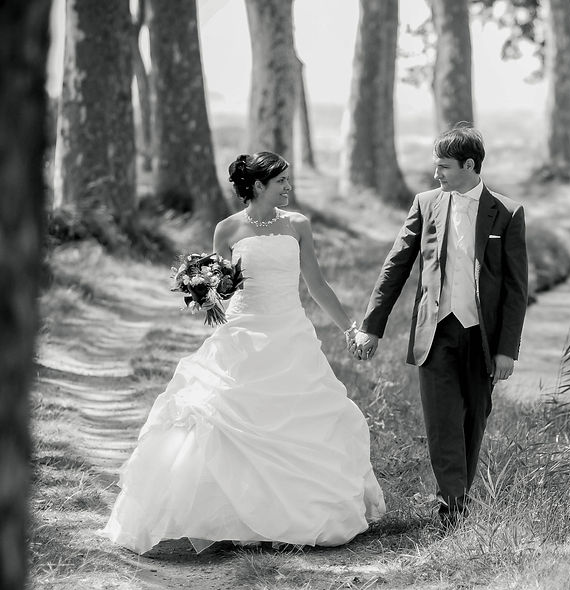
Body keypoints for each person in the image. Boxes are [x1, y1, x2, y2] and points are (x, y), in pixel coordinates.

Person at [102, 152, 385, 554]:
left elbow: (317, 285)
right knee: (220, 416)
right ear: (257, 186)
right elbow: (222, 289)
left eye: (288, 180)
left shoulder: (298, 226)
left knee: (301, 421)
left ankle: (288, 518)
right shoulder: (227, 229)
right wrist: (201, 292)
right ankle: (225, 516)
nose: (289, 187)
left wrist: (350, 328)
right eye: (281, 181)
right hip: (242, 332)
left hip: (289, 332)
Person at [351, 125, 528, 528]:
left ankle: (458, 499)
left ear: (469, 165)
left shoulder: (508, 212)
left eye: (443, 167)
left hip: (482, 337)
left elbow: (517, 289)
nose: (437, 175)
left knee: (474, 420)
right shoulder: (426, 203)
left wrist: (506, 350)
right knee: (442, 421)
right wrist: (371, 326)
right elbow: (396, 264)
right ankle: (452, 507)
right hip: (436, 332)